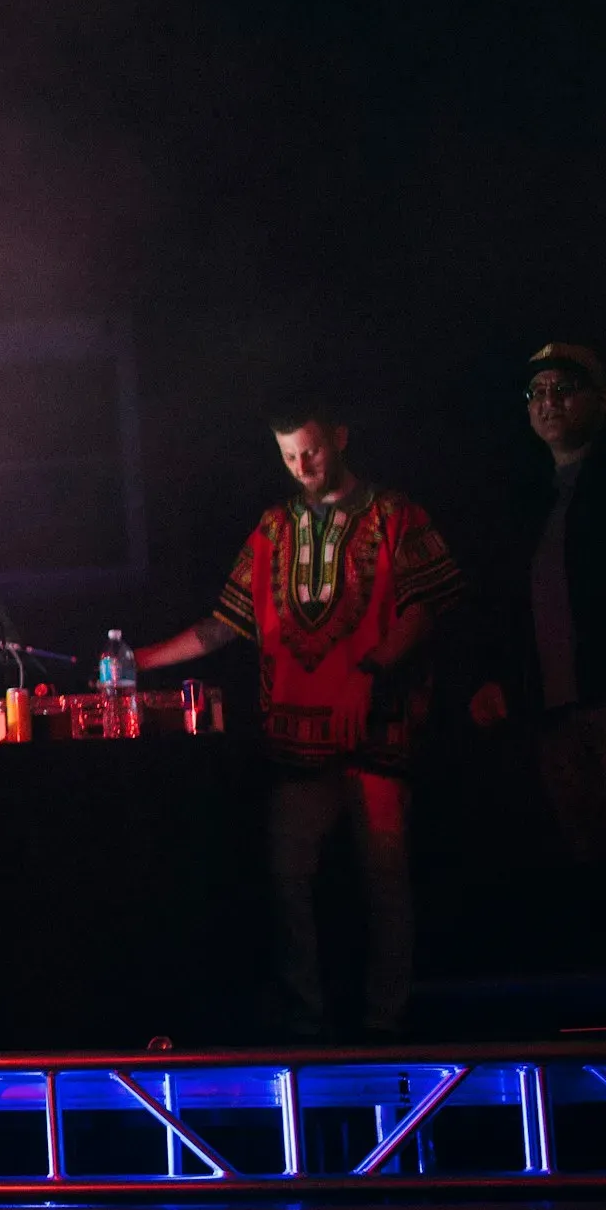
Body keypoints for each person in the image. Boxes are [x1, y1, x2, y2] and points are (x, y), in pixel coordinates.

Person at [136, 400, 463, 1037]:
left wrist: (370, 672)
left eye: (309, 450)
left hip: (378, 730)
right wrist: (143, 658)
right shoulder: (273, 527)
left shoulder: (396, 515)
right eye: (288, 455)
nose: (301, 465)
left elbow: (425, 607)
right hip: (294, 739)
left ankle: (386, 1020)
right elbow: (226, 621)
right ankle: (305, 1014)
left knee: (386, 882)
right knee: (289, 880)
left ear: (340, 437)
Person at [467, 344, 606, 865]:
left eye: (564, 388)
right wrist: (496, 676)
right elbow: (507, 597)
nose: (547, 401)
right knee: (584, 849)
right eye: (537, 392)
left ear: (601, 399)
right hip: (552, 706)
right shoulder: (529, 497)